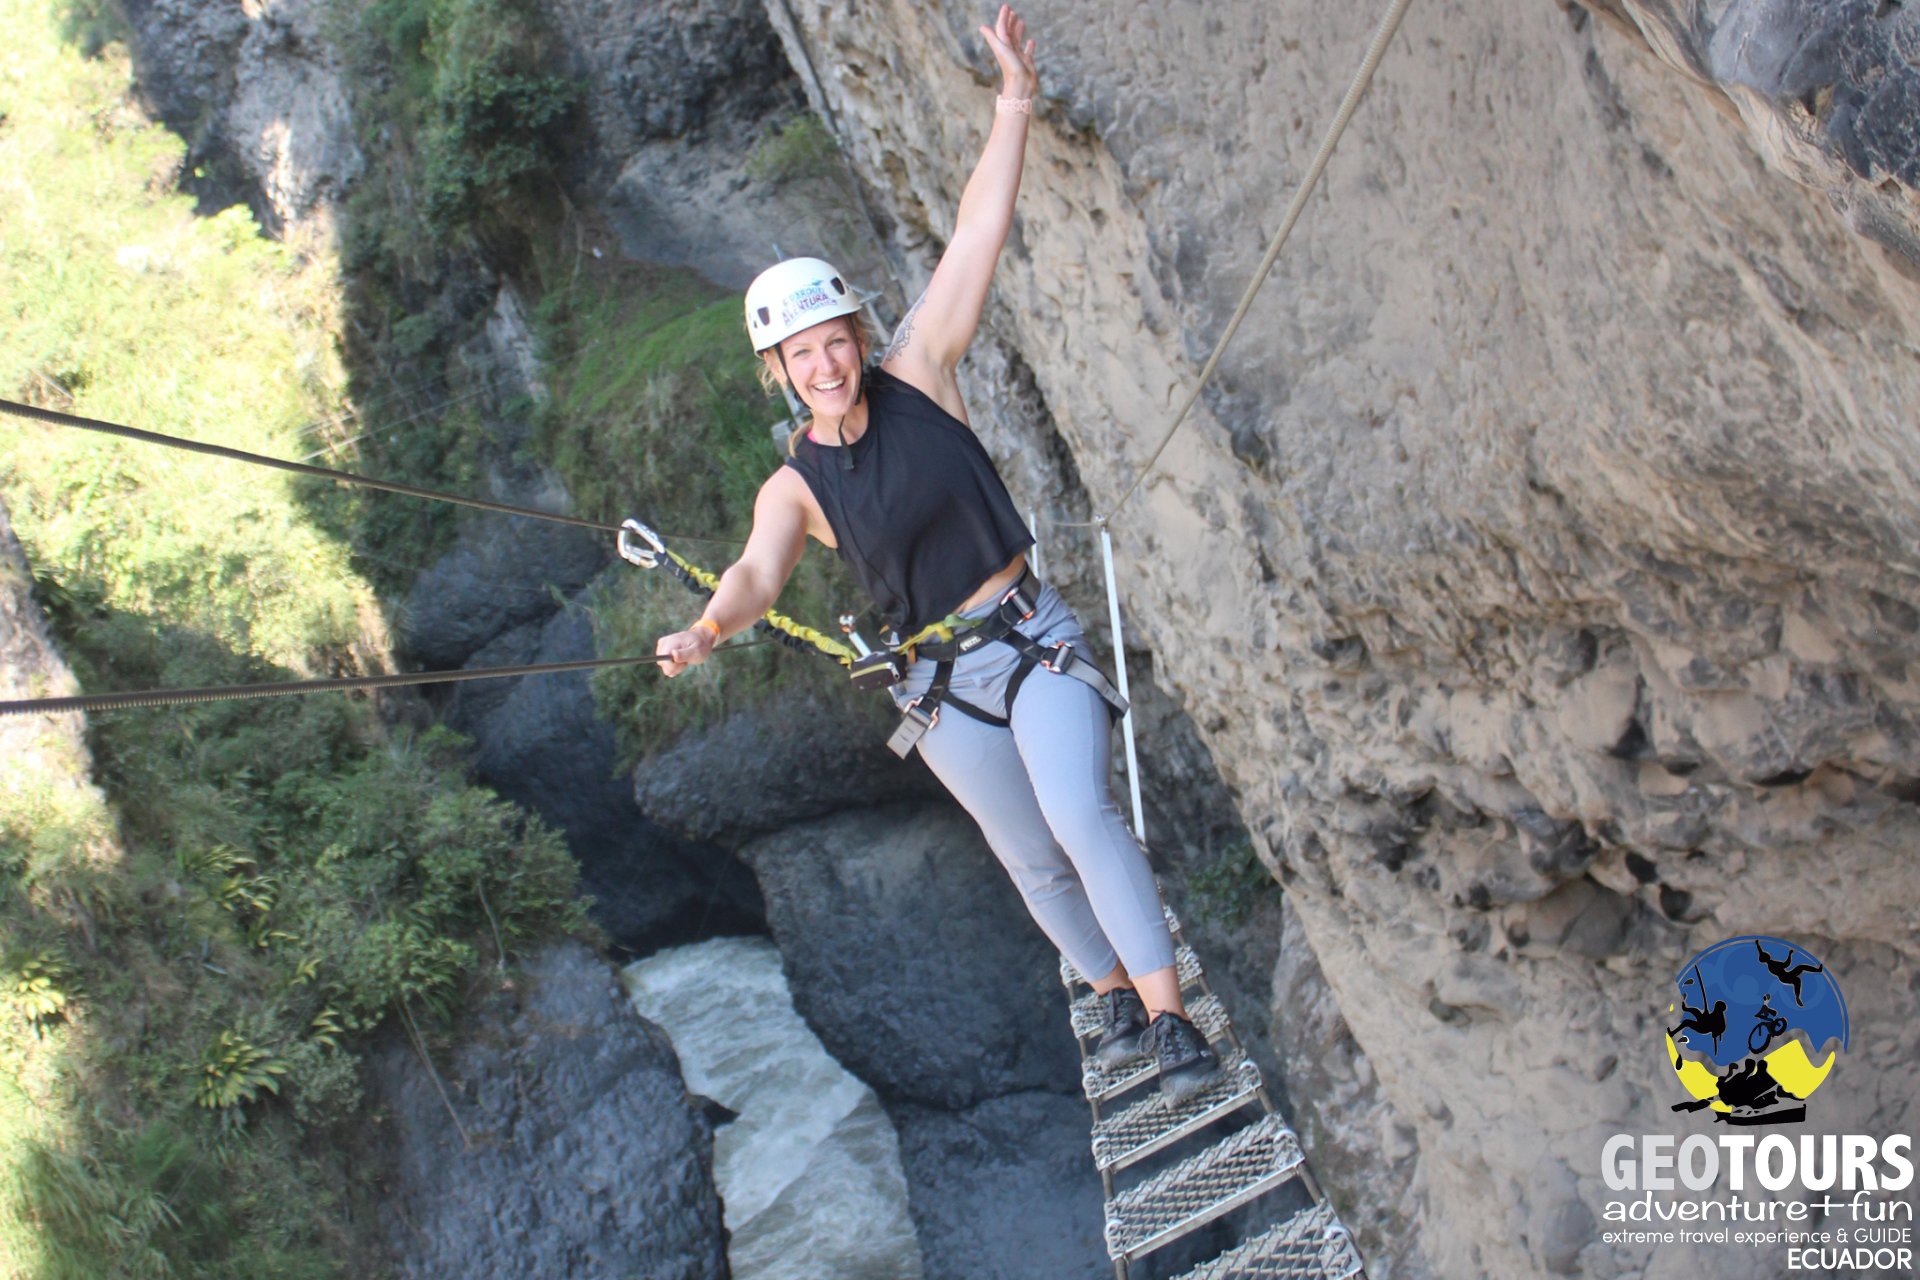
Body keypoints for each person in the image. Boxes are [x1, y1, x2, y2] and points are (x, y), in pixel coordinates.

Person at [654, 5, 1217, 1103]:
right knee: (1030, 858)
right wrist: (709, 626)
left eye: (833, 343)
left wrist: (1012, 102)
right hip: (940, 682)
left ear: (858, 339)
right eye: (799, 354)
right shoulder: (795, 487)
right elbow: (759, 572)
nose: (823, 365)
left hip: (1030, 639)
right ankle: (1105, 982)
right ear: (777, 371)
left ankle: (1170, 1018)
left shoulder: (922, 373)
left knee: (1078, 811)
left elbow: (973, 236)